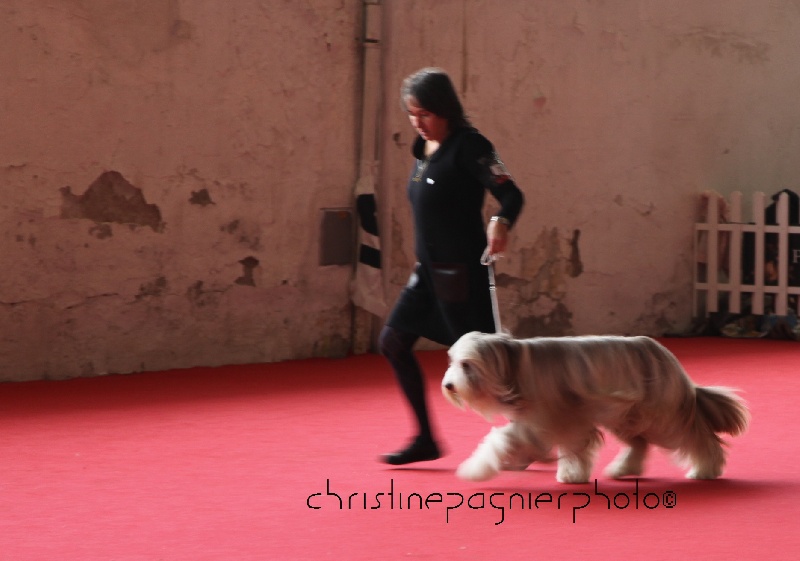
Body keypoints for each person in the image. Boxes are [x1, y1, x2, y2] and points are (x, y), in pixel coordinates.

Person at [380, 67, 525, 465]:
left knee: (489, 365)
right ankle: (425, 438)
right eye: (412, 114)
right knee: (392, 342)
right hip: (426, 273)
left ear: (446, 109)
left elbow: (511, 194)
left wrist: (500, 221)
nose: (418, 123)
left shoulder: (472, 146)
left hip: (462, 276)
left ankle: (531, 434)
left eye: (425, 114)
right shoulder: (421, 150)